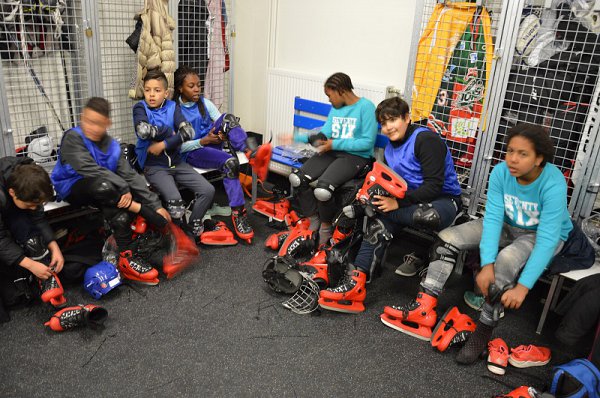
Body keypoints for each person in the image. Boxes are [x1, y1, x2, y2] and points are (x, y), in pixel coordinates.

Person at [381, 123, 585, 365]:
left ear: (539, 158)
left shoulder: (553, 182)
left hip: (541, 234)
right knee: (446, 240)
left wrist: (523, 287)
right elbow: (492, 221)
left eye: (523, 154)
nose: (513, 159)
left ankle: (483, 331)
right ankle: (424, 308)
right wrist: (486, 264)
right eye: (510, 151)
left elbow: (548, 239)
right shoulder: (500, 173)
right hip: (507, 225)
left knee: (507, 260)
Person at [318, 97, 462, 314]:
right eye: (383, 124)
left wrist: (396, 203)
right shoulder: (389, 149)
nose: (387, 127)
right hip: (409, 200)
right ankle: (356, 284)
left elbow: (434, 186)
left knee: (422, 215)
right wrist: (371, 197)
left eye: (393, 120)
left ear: (407, 118)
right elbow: (390, 183)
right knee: (378, 218)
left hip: (442, 201)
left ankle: (424, 305)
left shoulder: (426, 140)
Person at [51, 97, 171, 285]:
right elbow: (89, 169)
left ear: (107, 123)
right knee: (106, 187)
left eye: (97, 123)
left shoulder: (112, 146)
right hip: (74, 187)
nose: (91, 127)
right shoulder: (73, 137)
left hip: (105, 191)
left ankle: (126, 257)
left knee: (120, 214)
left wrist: (156, 205)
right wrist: (127, 191)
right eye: (87, 121)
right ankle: (143, 214)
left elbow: (130, 176)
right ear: (82, 118)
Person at [289, 72, 378, 246]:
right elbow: (325, 134)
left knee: (323, 190)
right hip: (333, 151)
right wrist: (298, 137)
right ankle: (313, 218)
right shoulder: (337, 108)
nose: (329, 100)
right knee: (297, 179)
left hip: (356, 156)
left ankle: (326, 226)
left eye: (330, 95)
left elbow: (367, 143)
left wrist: (334, 144)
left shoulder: (366, 107)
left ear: (342, 91)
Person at [173, 65, 256, 243]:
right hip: (194, 151)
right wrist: (204, 141)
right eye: (191, 86)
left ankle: (251, 151)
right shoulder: (174, 110)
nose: (197, 89)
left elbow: (220, 122)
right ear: (180, 88)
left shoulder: (204, 103)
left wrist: (220, 134)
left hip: (211, 144)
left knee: (227, 118)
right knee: (230, 164)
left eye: (198, 85)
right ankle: (238, 214)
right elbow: (179, 147)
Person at [132, 69, 215, 243]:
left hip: (176, 162)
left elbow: (189, 132)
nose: (151, 95)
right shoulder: (140, 107)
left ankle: (192, 226)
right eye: (147, 90)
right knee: (176, 203)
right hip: (154, 166)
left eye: (157, 90)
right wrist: (171, 131)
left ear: (166, 93)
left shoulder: (173, 106)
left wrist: (164, 143)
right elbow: (143, 131)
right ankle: (176, 239)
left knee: (208, 190)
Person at [1, 157, 64, 321]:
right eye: (30, 205)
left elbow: (38, 218)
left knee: (29, 231)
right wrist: (29, 265)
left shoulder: (32, 182)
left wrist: (54, 246)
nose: (34, 208)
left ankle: (43, 275)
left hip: (10, 207)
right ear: (12, 193)